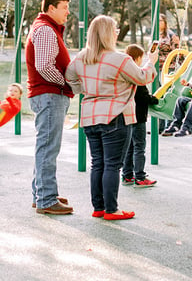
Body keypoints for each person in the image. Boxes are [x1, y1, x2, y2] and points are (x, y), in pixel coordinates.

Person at [65, 15, 158, 220]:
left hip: (90, 115)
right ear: (108, 33)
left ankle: (99, 207)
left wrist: (84, 89)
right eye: (115, 29)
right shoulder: (120, 59)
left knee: (97, 163)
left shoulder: (81, 58)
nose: (117, 32)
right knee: (113, 165)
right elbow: (143, 78)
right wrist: (151, 62)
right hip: (115, 115)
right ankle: (111, 209)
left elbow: (69, 76)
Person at [25, 0, 74, 215]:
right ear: (51, 8)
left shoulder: (46, 28)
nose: (67, 12)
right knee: (48, 147)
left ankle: (42, 193)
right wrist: (64, 84)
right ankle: (46, 199)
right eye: (64, 7)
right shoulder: (45, 29)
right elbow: (44, 66)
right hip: (50, 94)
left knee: (45, 147)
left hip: (49, 95)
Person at [121, 44, 158, 188]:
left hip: (128, 117)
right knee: (139, 147)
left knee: (130, 146)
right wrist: (154, 99)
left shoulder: (125, 73)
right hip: (139, 118)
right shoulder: (137, 75)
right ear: (137, 58)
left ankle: (127, 174)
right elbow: (143, 97)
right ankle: (140, 176)